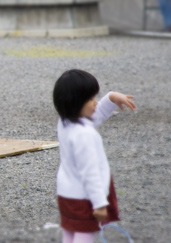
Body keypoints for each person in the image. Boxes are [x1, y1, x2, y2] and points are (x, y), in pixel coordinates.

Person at [52, 69, 137, 243]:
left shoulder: (65, 123)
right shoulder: (85, 135)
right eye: (90, 99)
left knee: (70, 231)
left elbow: (91, 117)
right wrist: (99, 203)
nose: (95, 102)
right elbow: (90, 171)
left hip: (66, 193)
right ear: (75, 103)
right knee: (84, 234)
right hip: (85, 196)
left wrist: (111, 98)